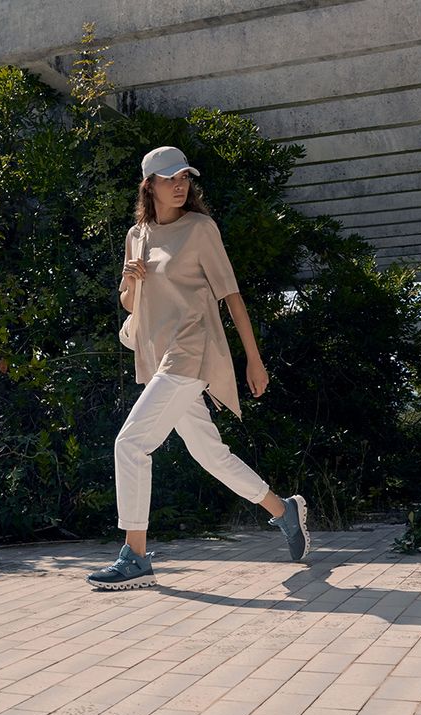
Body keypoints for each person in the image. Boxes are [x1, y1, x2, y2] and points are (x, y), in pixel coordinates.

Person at [86, 146, 310, 591]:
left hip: (192, 349)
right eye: (169, 178)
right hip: (157, 356)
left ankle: (135, 556)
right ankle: (284, 510)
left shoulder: (200, 228)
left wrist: (253, 356)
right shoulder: (137, 235)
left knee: (130, 443)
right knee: (210, 455)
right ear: (148, 184)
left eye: (184, 177)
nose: (179, 184)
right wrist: (130, 280)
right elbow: (131, 303)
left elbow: (231, 295)